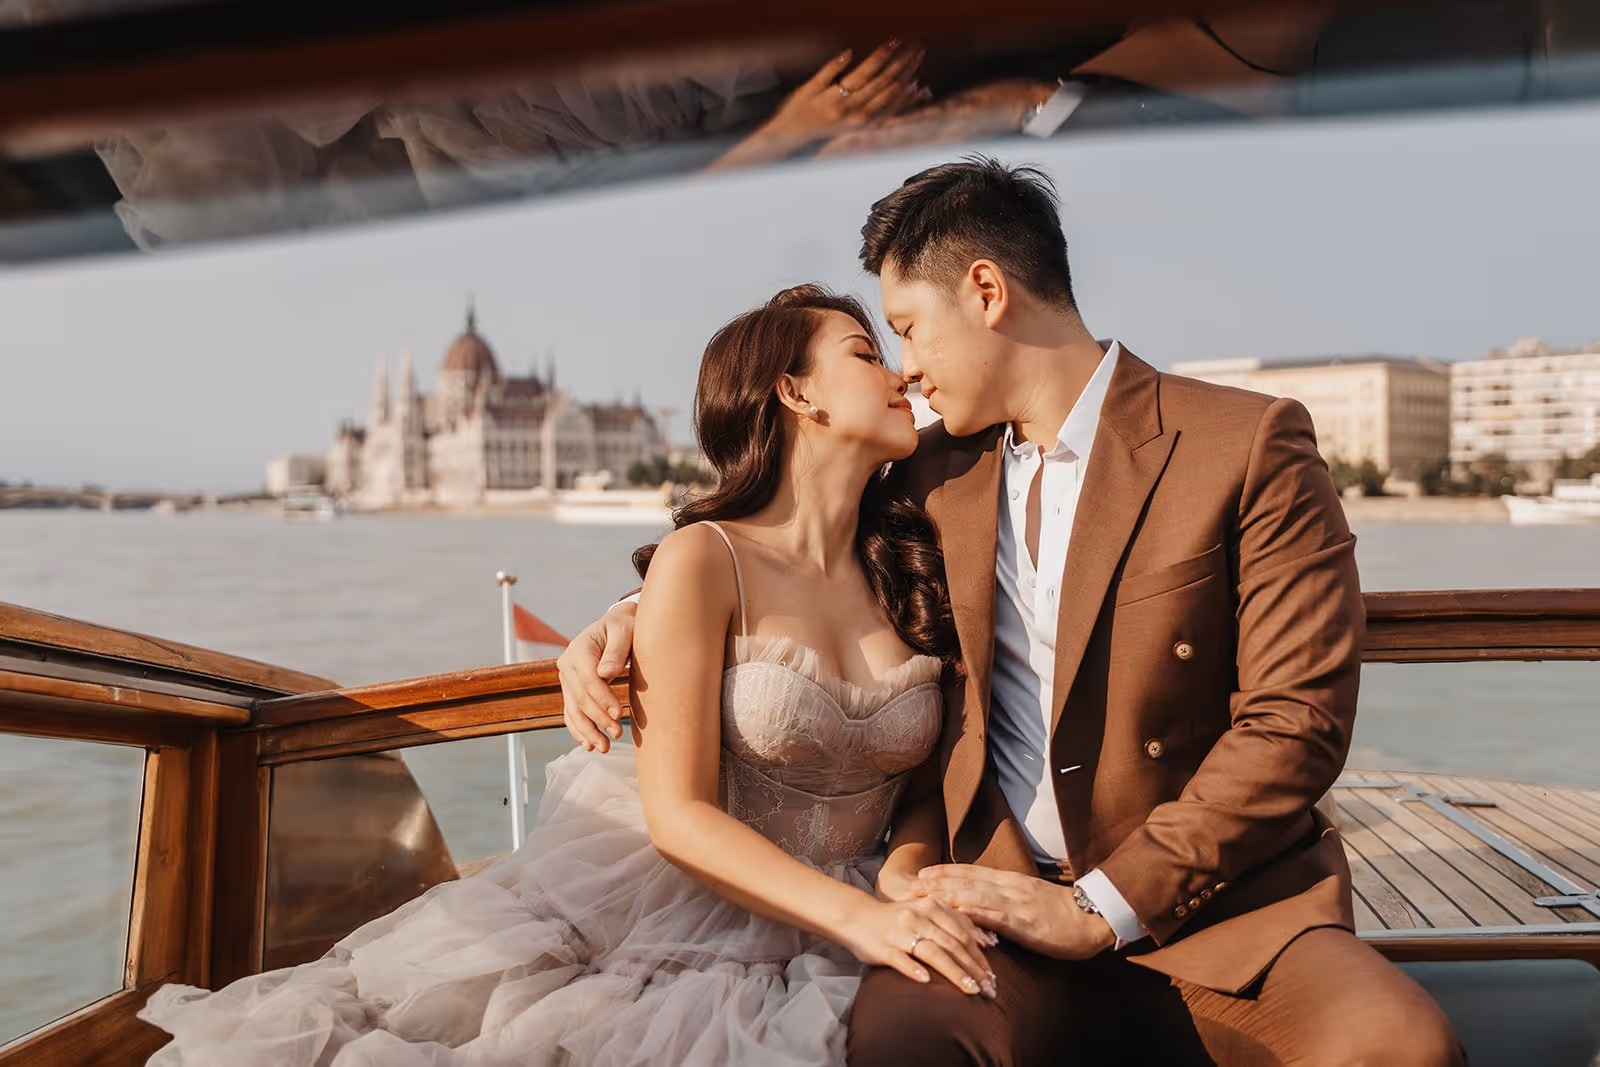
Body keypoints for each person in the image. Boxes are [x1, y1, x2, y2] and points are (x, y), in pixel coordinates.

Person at [556, 157, 1466, 1065]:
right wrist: (629, 617)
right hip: (992, 897)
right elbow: (786, 546)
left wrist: (1094, 908)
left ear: (986, 291)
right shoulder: (928, 473)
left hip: (1224, 909)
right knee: (905, 1042)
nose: (905, 370)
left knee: (1403, 1049)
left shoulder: (1245, 443)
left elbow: (1294, 724)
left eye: (907, 329)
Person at [137, 284, 997, 1067]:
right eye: (866, 351)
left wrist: (901, 883)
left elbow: (924, 782)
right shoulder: (703, 561)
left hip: (870, 906)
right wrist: (643, 609)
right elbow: (682, 815)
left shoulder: (911, 561)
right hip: (698, 917)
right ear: (794, 390)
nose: (901, 369)